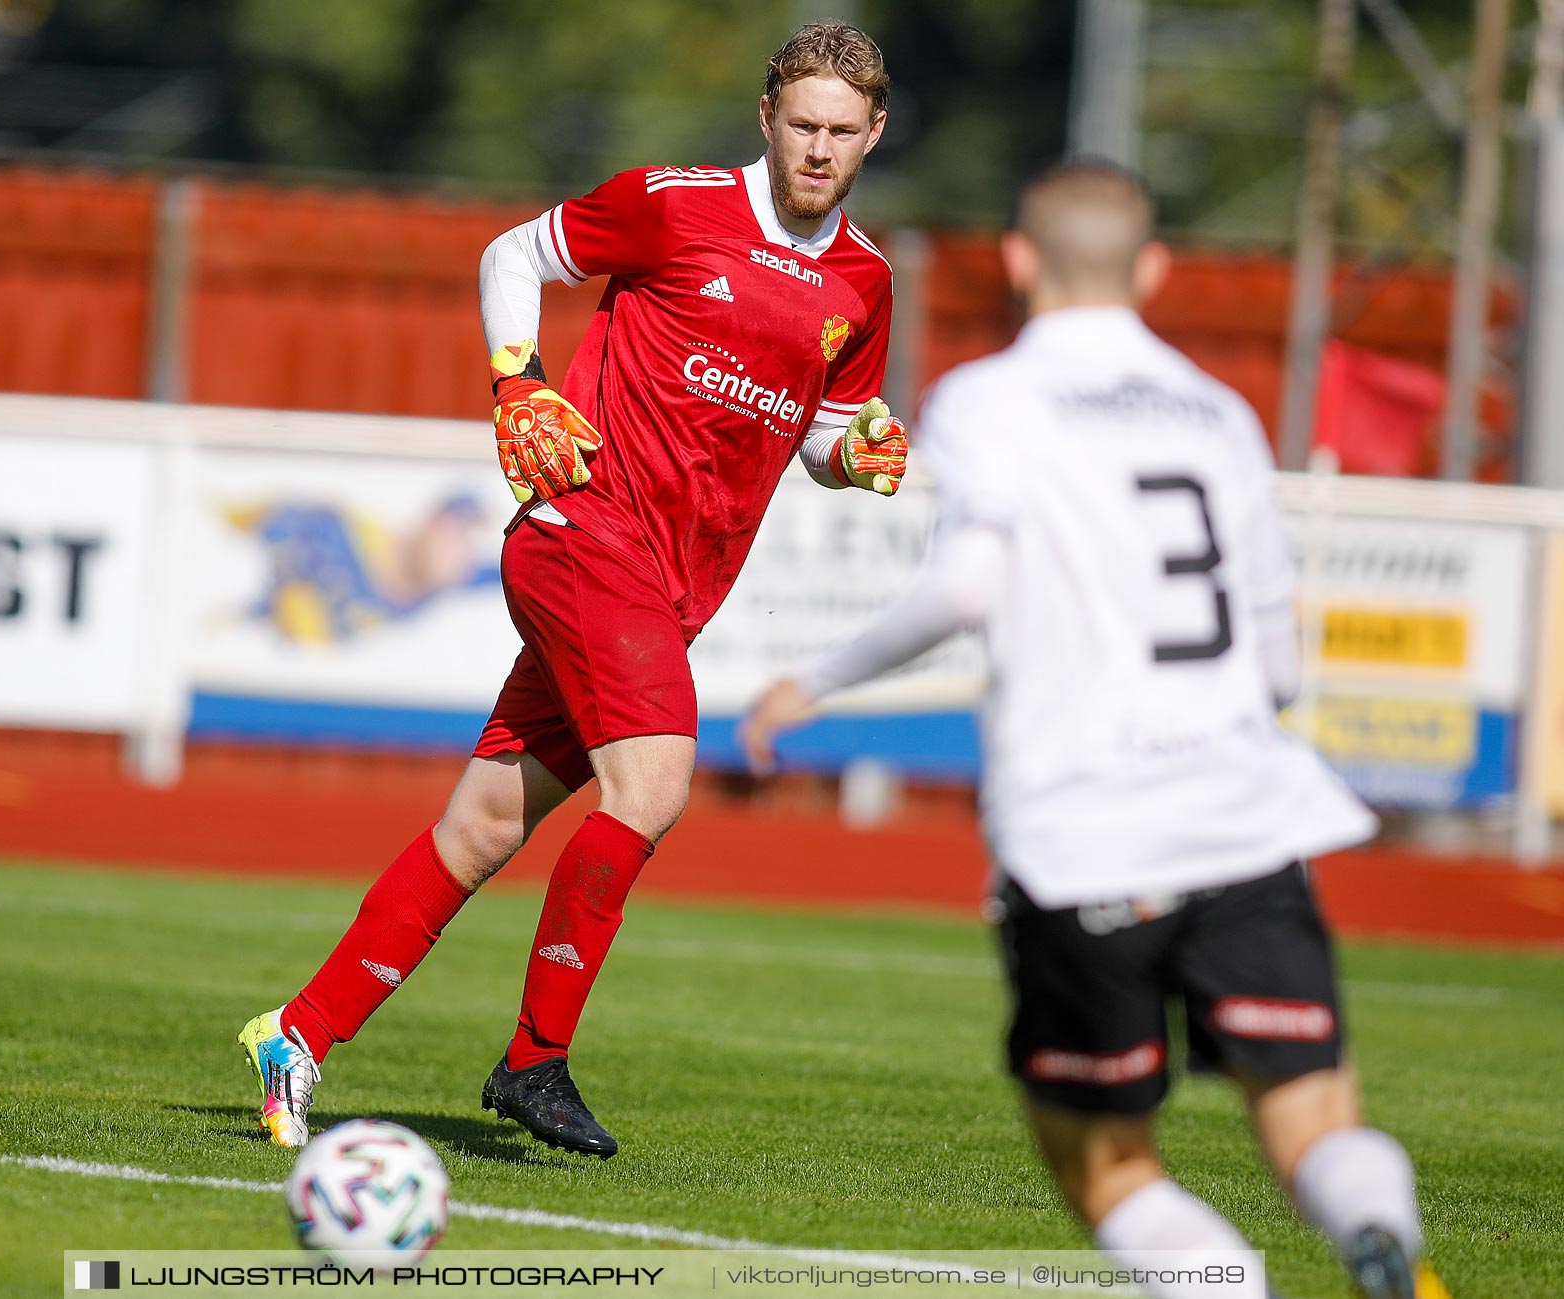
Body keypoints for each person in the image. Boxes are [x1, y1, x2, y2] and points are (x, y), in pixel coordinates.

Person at [740, 160, 1450, 1299]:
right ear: (1153, 268)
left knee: (1106, 1163)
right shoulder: (1219, 411)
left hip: (1085, 839)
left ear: (1020, 263)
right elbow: (1274, 647)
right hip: (1244, 817)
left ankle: (1231, 1287)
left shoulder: (990, 399)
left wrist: (811, 681)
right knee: (1316, 1118)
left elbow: (968, 587)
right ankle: (1378, 1232)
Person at [238, 21, 909, 1158]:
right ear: (766, 117)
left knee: (484, 826)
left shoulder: (866, 282)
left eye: (842, 133)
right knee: (651, 785)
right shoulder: (673, 202)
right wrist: (519, 383)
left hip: (670, 587)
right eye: (802, 124)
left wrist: (862, 457)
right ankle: (534, 1062)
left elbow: (825, 442)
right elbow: (513, 254)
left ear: (874, 136)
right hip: (580, 532)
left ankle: (294, 1036)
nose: (818, 149)